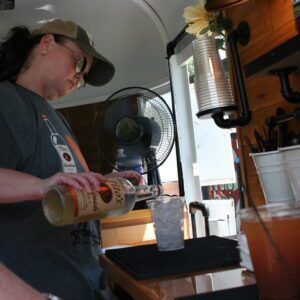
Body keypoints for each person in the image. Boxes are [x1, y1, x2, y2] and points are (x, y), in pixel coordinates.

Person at [0, 19, 141, 300]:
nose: (80, 78)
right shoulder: (7, 101)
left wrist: (102, 185)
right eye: (79, 63)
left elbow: (62, 188)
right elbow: (46, 185)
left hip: (90, 286)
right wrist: (41, 186)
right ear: (46, 44)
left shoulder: (58, 119)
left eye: (84, 76)